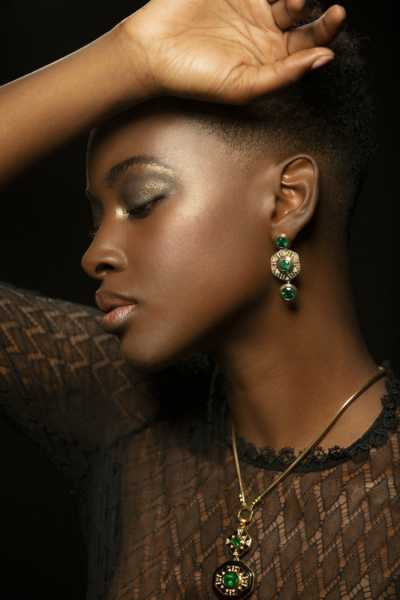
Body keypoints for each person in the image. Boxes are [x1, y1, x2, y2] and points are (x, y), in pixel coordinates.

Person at [0, 0, 399, 598]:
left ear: (287, 200)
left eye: (141, 201)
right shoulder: (122, 404)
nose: (95, 254)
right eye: (96, 219)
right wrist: (127, 56)